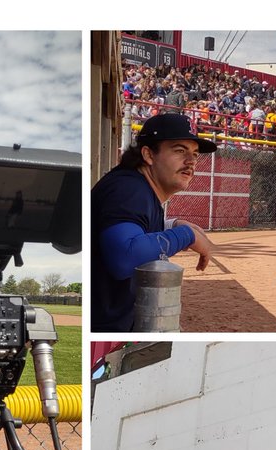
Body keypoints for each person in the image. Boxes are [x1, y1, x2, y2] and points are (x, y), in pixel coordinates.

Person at [92, 113, 217, 332]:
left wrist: (170, 225)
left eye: (195, 155)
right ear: (148, 154)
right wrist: (187, 235)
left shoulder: (137, 188)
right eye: (179, 150)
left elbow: (134, 228)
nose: (191, 162)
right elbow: (124, 256)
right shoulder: (129, 190)